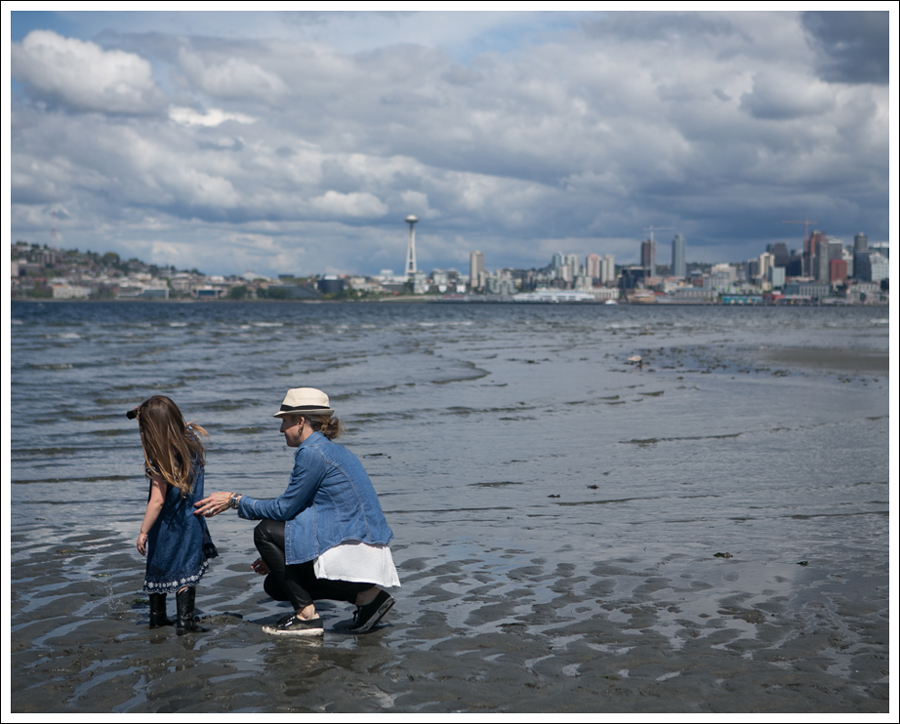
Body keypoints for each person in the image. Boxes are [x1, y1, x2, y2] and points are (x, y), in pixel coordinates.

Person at [194, 387, 399, 637]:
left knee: (266, 531)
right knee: (275, 585)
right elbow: (308, 509)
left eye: (284, 421)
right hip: (364, 548)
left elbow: (284, 509)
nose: (281, 429)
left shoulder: (312, 453)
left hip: (355, 549)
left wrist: (235, 500)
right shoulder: (331, 449)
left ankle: (307, 616)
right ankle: (369, 598)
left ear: (300, 421)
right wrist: (283, 553)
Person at [129, 395, 218, 635]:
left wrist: (143, 531)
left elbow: (157, 501)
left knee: (158, 563)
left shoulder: (160, 458)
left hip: (164, 523)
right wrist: (152, 414)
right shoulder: (192, 440)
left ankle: (157, 617)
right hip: (190, 521)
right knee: (186, 567)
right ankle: (185, 621)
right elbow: (175, 423)